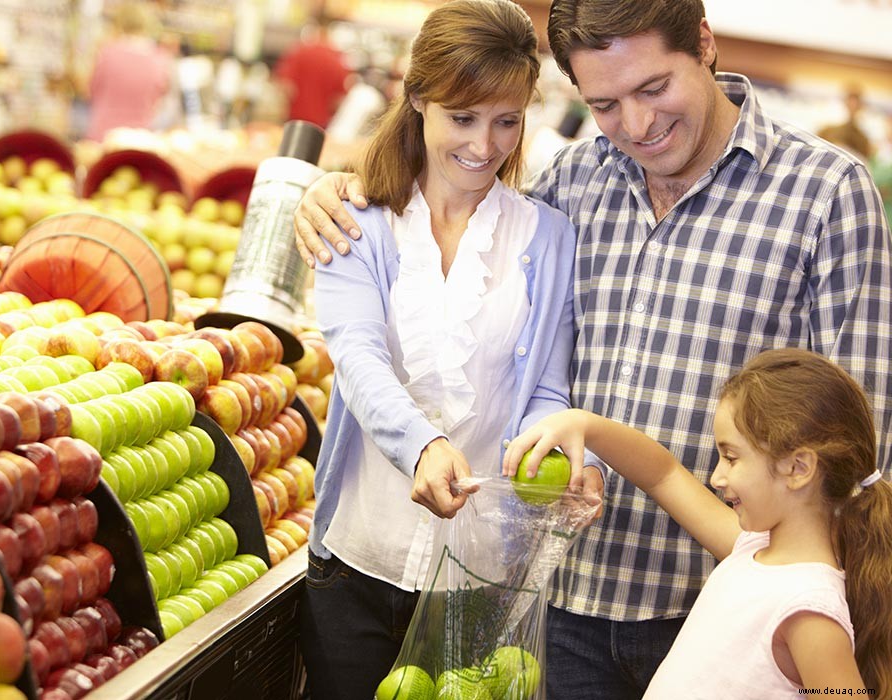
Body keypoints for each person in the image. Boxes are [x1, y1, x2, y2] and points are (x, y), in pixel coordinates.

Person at [291, 0, 892, 696]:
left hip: (719, 605)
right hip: (561, 600)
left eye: (654, 87)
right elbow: (521, 348)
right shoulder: (574, 183)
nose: (637, 125)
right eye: (604, 102)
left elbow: (866, 440)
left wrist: (848, 621)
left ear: (703, 43)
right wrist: (331, 190)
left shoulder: (826, 194)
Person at [295, 2, 589, 698]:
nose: (485, 146)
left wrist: (566, 460)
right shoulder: (355, 221)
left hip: (481, 580)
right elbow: (357, 357)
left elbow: (547, 390)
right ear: (418, 99)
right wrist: (422, 446)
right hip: (358, 564)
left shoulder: (547, 238)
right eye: (463, 117)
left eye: (507, 120)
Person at [504, 347, 892, 696]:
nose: (717, 476)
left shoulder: (809, 609)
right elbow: (664, 474)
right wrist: (584, 424)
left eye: (732, 457)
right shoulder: (750, 547)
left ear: (798, 467)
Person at [83, 2, 173, 141]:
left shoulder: (107, 53)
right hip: (141, 137)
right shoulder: (160, 58)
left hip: (104, 135)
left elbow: (90, 91)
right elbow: (160, 99)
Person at [272, 15, 351, 129]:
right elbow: (338, 100)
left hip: (294, 121)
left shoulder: (299, 51)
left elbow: (285, 86)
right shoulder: (337, 59)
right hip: (320, 126)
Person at [818, 85, 874, 162]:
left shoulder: (863, 139)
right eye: (850, 102)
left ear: (860, 106)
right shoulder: (827, 129)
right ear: (845, 102)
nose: (852, 106)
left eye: (856, 103)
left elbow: (864, 160)